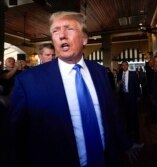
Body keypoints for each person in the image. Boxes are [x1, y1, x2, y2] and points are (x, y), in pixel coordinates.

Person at [9, 11, 142, 167]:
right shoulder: (28, 81)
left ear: (84, 39)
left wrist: (125, 144)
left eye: (69, 29)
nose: (61, 35)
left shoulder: (99, 72)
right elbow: (14, 137)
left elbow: (111, 113)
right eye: (55, 31)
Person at [117, 61, 141, 141]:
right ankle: (128, 129)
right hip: (124, 97)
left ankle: (136, 131)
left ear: (127, 66)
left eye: (125, 65)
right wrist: (119, 84)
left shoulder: (133, 74)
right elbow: (118, 85)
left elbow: (137, 85)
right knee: (126, 113)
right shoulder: (120, 74)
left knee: (134, 114)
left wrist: (138, 96)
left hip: (132, 96)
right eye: (122, 65)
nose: (123, 67)